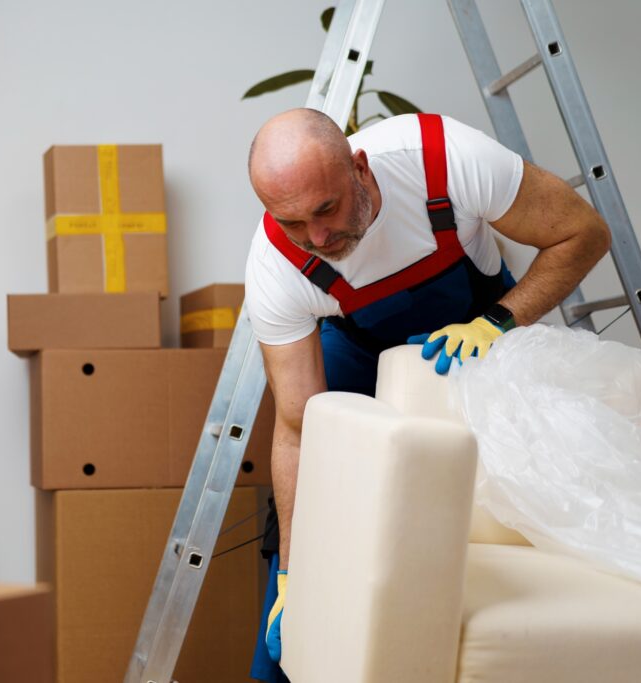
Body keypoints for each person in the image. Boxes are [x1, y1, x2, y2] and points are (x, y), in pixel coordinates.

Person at [243, 108, 611, 678]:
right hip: (358, 346)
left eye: (327, 209)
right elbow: (294, 431)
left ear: (361, 170)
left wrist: (498, 323)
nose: (317, 237)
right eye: (293, 222)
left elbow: (584, 233)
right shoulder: (276, 267)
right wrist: (291, 572)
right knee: (317, 485)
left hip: (479, 326)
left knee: (521, 479)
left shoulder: (443, 160)